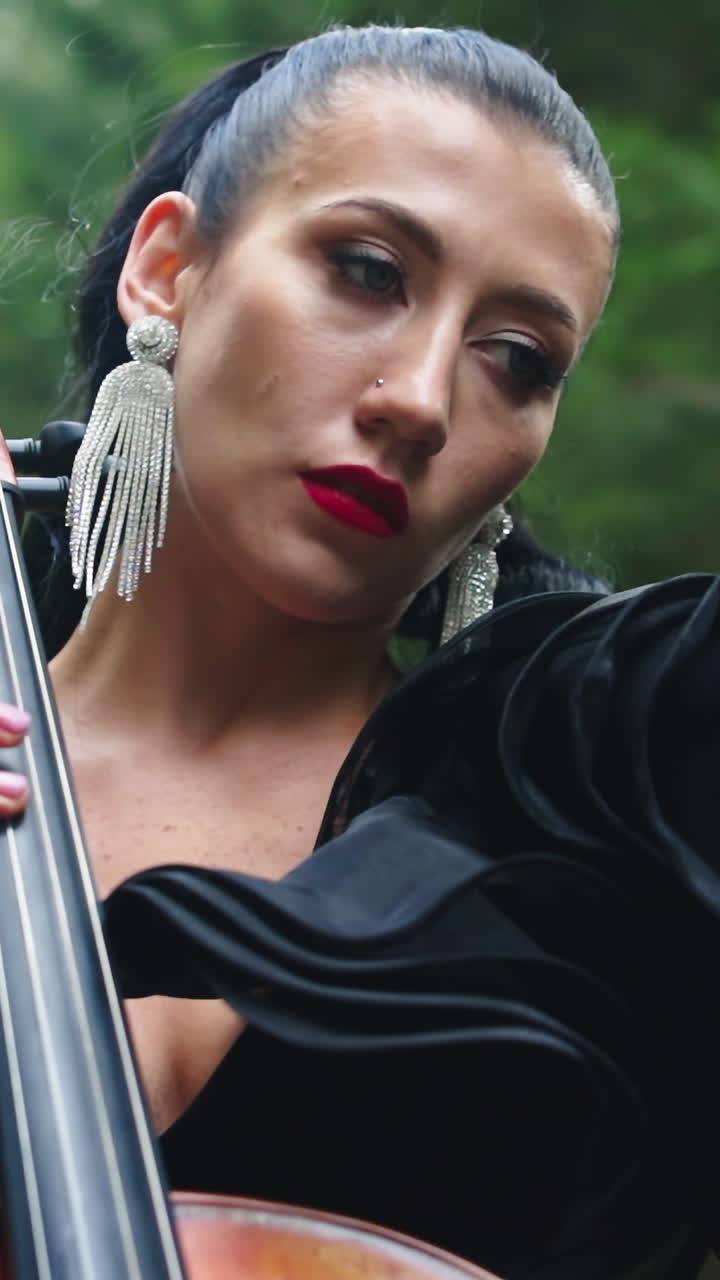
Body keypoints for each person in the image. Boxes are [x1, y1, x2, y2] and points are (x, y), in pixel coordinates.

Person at [2, 22, 718, 1280]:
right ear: (169, 268)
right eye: (370, 270)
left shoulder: (574, 822)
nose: (425, 400)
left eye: (520, 359)